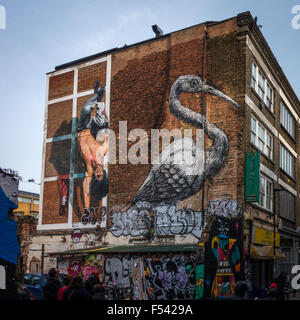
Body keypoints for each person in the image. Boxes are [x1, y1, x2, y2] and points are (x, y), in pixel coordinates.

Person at [77, 80, 109, 219]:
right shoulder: (102, 152)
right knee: (102, 119)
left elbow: (86, 191)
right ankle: (99, 96)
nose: (98, 174)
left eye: (98, 177)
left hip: (83, 127)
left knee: (85, 109)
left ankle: (96, 95)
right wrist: (105, 116)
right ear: (104, 173)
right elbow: (107, 131)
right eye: (101, 175)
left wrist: (86, 210)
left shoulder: (89, 170)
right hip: (94, 129)